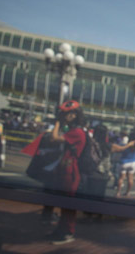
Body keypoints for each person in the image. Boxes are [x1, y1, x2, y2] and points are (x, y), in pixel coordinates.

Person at [46, 100, 86, 245]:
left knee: (68, 205)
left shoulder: (77, 132)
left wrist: (57, 123)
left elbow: (53, 138)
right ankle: (61, 231)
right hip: (65, 169)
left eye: (66, 113)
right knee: (63, 203)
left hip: (71, 171)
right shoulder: (73, 130)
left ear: (74, 115)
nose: (64, 116)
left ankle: (68, 233)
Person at [115, 131, 135, 197]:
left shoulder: (125, 145)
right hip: (133, 162)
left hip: (124, 161)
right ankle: (128, 192)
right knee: (130, 178)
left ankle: (118, 192)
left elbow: (120, 150)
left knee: (121, 178)